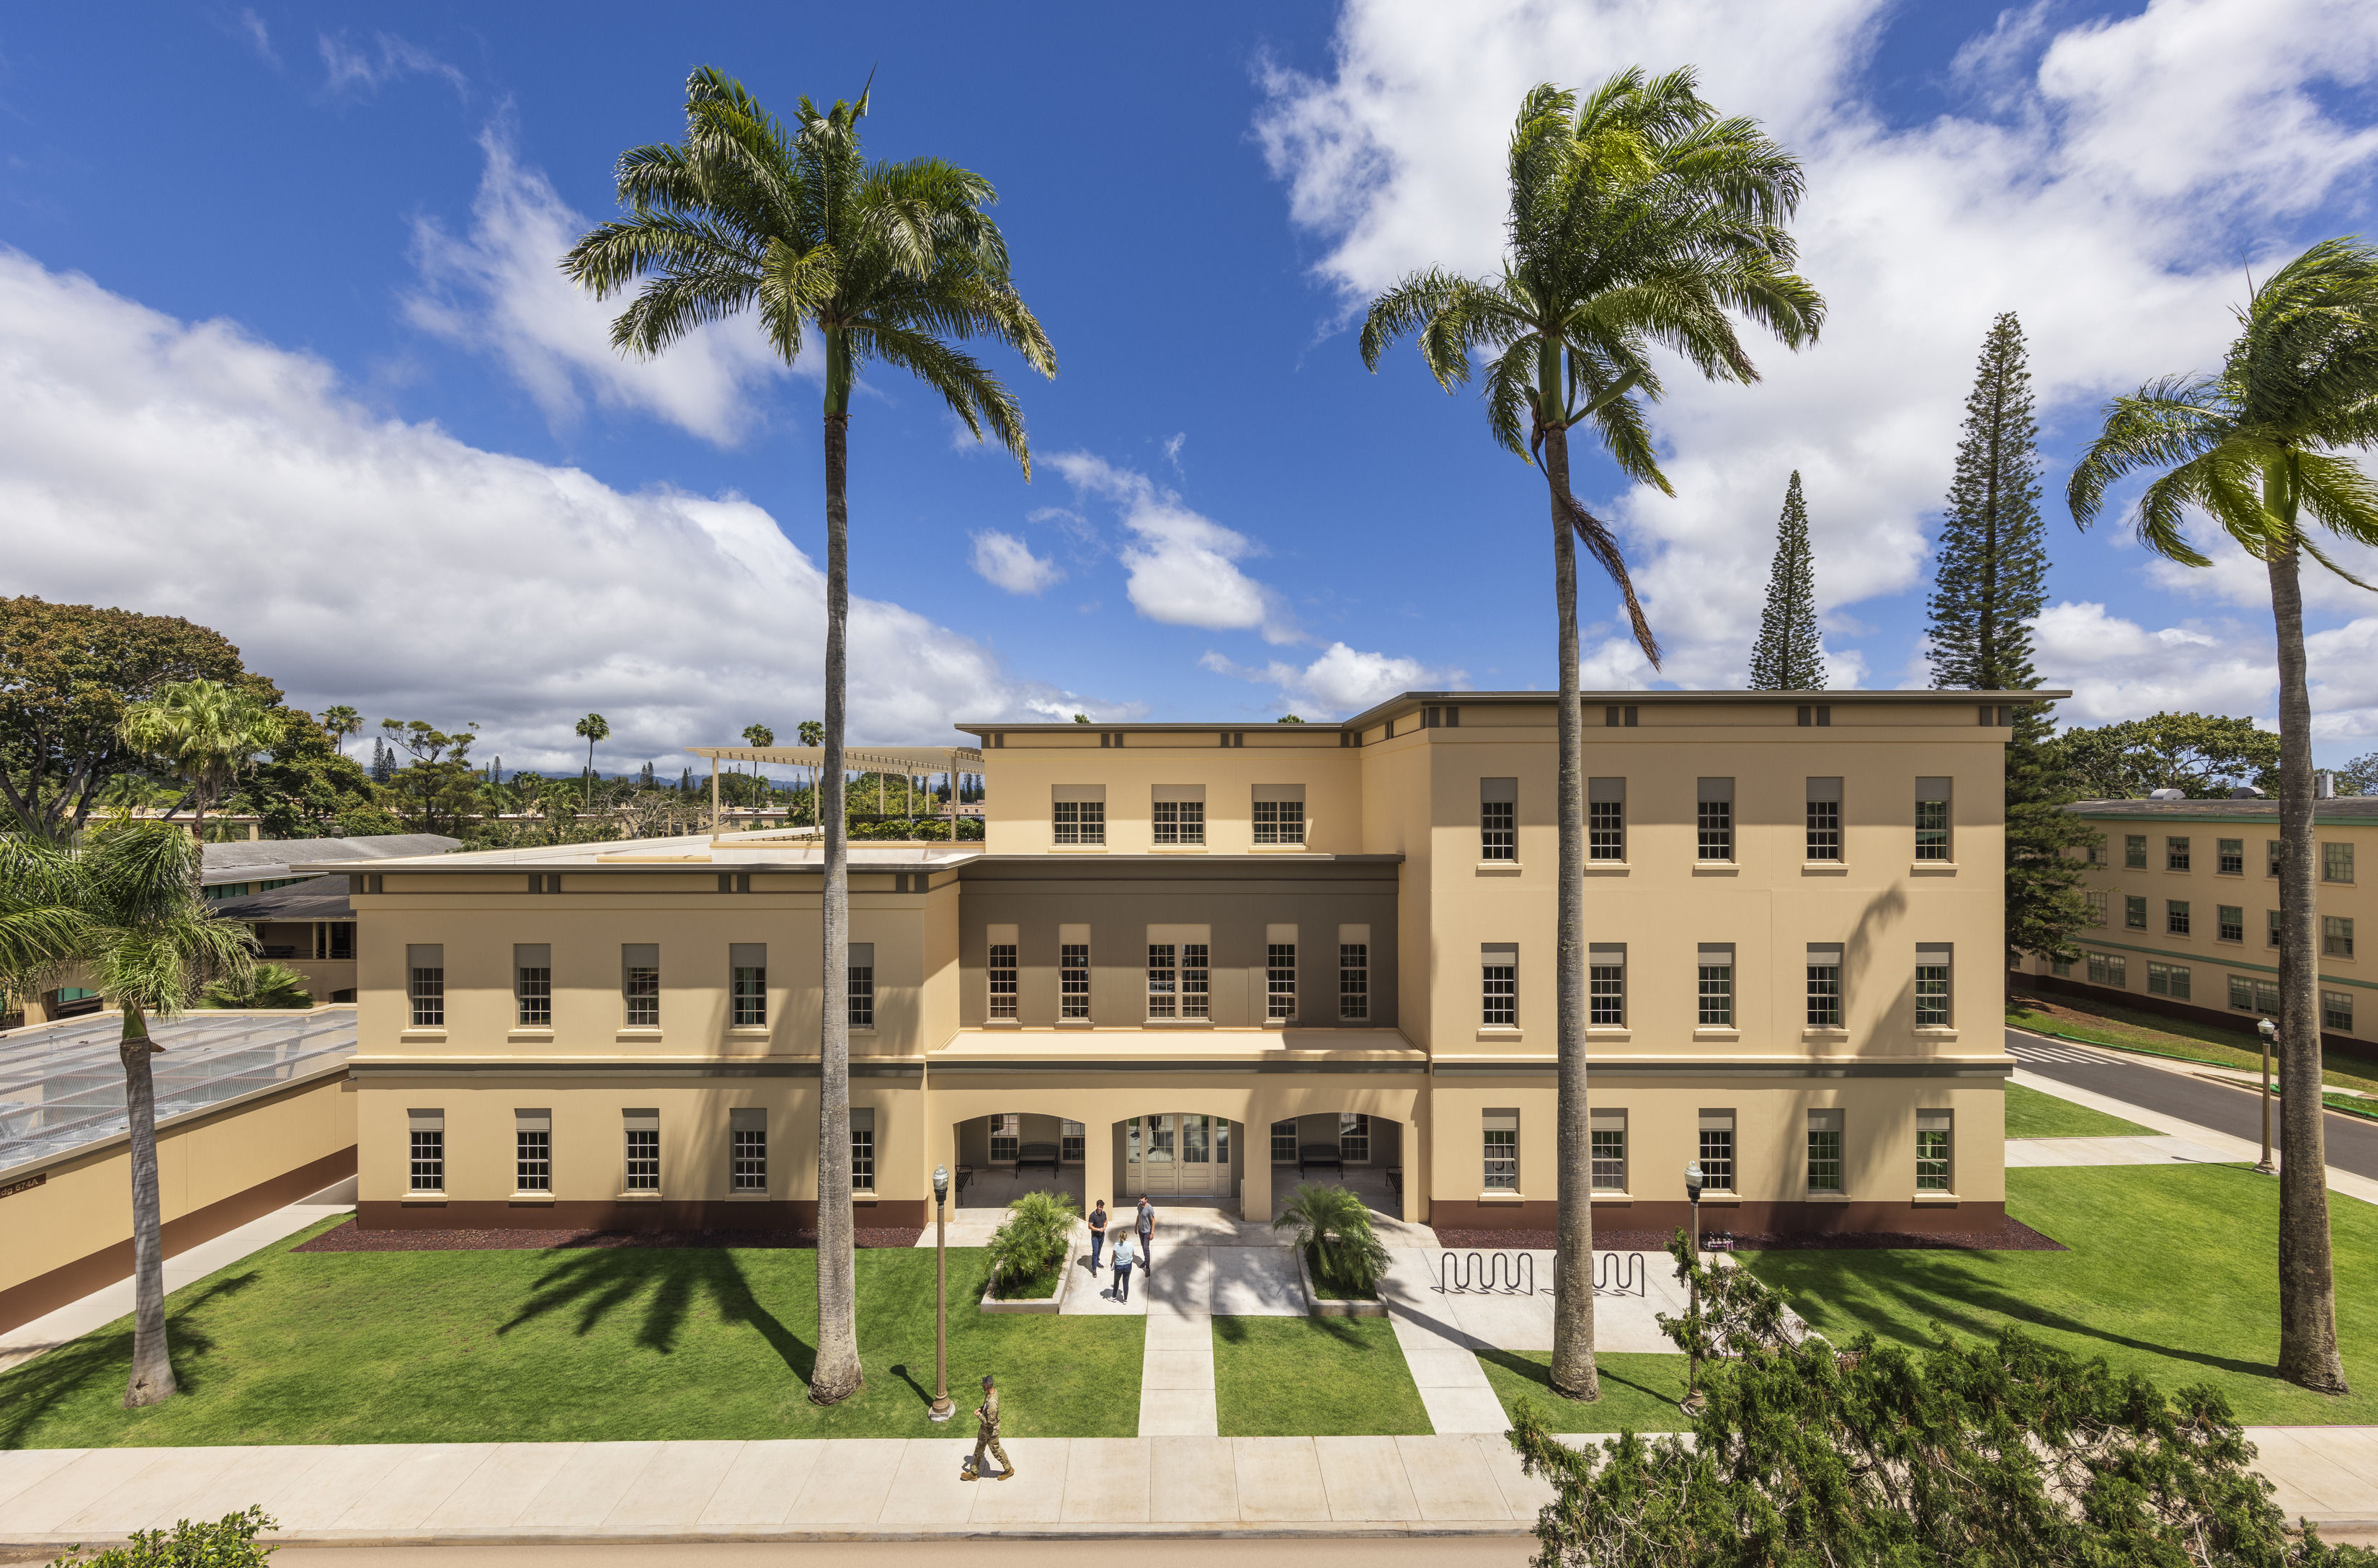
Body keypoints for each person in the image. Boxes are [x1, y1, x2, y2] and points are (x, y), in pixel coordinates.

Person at [963, 1373, 1012, 1482]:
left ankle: (1009, 1469)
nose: (982, 1386)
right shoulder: (991, 1392)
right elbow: (986, 1406)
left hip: (991, 1432)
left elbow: (989, 1423)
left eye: (982, 1385)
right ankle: (974, 1473)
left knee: (997, 1452)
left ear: (986, 1387)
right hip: (984, 1430)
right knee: (979, 1449)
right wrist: (981, 1409)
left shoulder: (993, 1403)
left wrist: (979, 1415)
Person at [1109, 1229, 1136, 1303]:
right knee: (1126, 1282)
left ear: (1119, 1237)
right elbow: (1133, 1253)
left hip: (1119, 1266)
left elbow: (1113, 1256)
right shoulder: (1130, 1245)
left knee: (1116, 1281)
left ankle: (1114, 1297)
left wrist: (1112, 1264)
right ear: (1126, 1237)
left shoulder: (1116, 1245)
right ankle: (1125, 1299)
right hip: (1128, 1266)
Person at [1134, 1195, 1154, 1273]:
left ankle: (1148, 1268)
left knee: (1146, 1248)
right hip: (1140, 1230)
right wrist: (1136, 1226)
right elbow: (1138, 1216)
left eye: (1143, 1202)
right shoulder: (1139, 1206)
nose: (1141, 1203)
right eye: (1140, 1201)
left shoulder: (1149, 1208)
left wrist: (1152, 1233)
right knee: (1143, 1247)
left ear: (1146, 1200)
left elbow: (1153, 1221)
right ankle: (1146, 1260)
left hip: (1147, 1232)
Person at [1087, 1199, 1108, 1272]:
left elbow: (1105, 1221)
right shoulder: (1092, 1215)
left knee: (1099, 1250)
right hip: (1095, 1237)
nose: (1101, 1209)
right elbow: (1090, 1226)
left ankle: (1097, 1262)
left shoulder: (1104, 1214)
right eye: (1100, 1207)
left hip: (1102, 1236)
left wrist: (1104, 1227)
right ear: (1097, 1206)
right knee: (1095, 1252)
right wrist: (1099, 1230)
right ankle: (1094, 1269)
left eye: (1102, 1207)